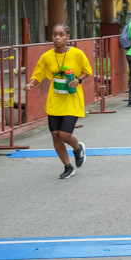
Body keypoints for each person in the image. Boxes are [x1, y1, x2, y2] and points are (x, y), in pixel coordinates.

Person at [23, 23, 93, 179]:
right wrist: (30, 84)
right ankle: (68, 166)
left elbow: (87, 71)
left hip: (72, 99)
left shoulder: (77, 54)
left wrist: (78, 81)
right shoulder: (47, 56)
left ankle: (77, 147)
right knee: (55, 135)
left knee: (64, 134)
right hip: (55, 100)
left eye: (61, 34)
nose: (57, 37)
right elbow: (38, 74)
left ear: (68, 37)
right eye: (55, 34)